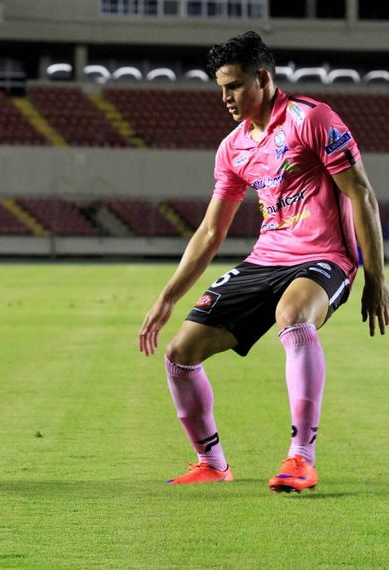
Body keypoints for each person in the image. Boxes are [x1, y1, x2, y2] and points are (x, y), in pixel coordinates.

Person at [138, 31, 388, 493]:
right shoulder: (232, 148)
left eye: (233, 86)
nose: (225, 98)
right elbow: (212, 231)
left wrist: (376, 277)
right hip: (265, 261)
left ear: (264, 78)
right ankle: (212, 463)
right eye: (221, 88)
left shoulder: (312, 119)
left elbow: (363, 195)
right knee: (179, 355)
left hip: (324, 258)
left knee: (292, 317)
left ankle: (301, 458)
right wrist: (167, 298)